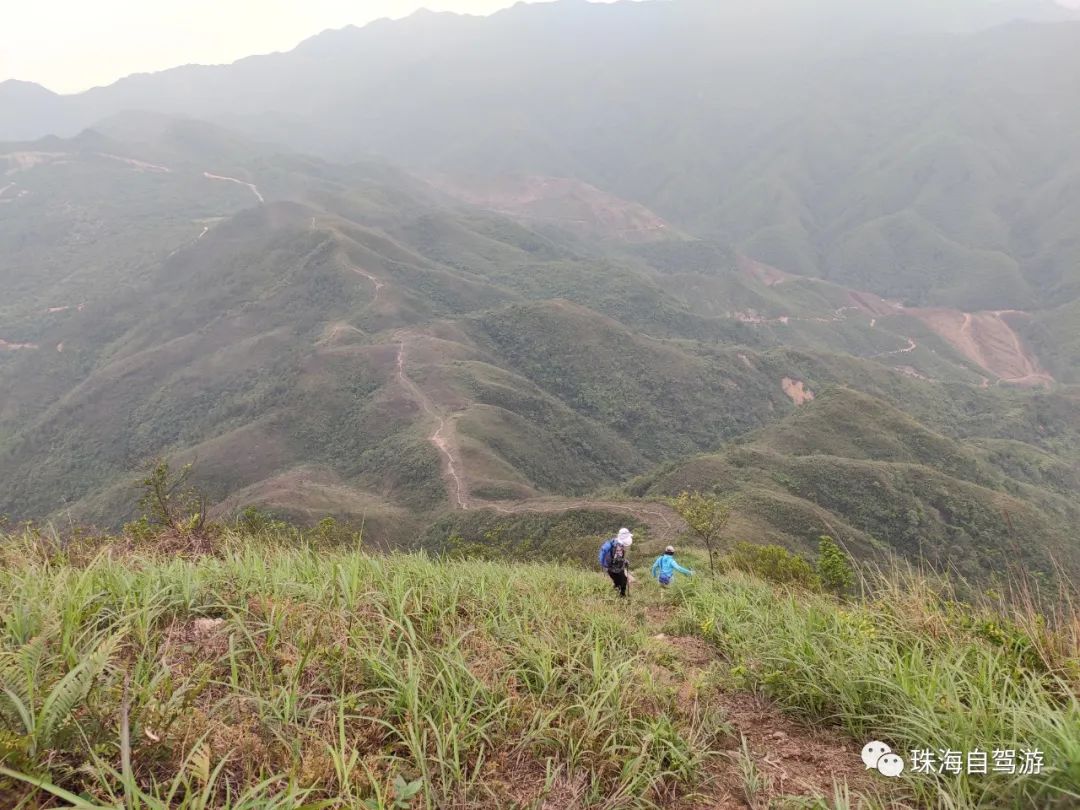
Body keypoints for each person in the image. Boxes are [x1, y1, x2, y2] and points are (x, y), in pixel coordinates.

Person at [598, 527, 633, 598]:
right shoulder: (618, 546)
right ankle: (622, 597)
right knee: (622, 582)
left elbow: (616, 558)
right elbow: (617, 559)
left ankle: (616, 596)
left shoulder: (614, 542)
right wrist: (625, 561)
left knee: (618, 582)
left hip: (611, 568)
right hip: (615, 569)